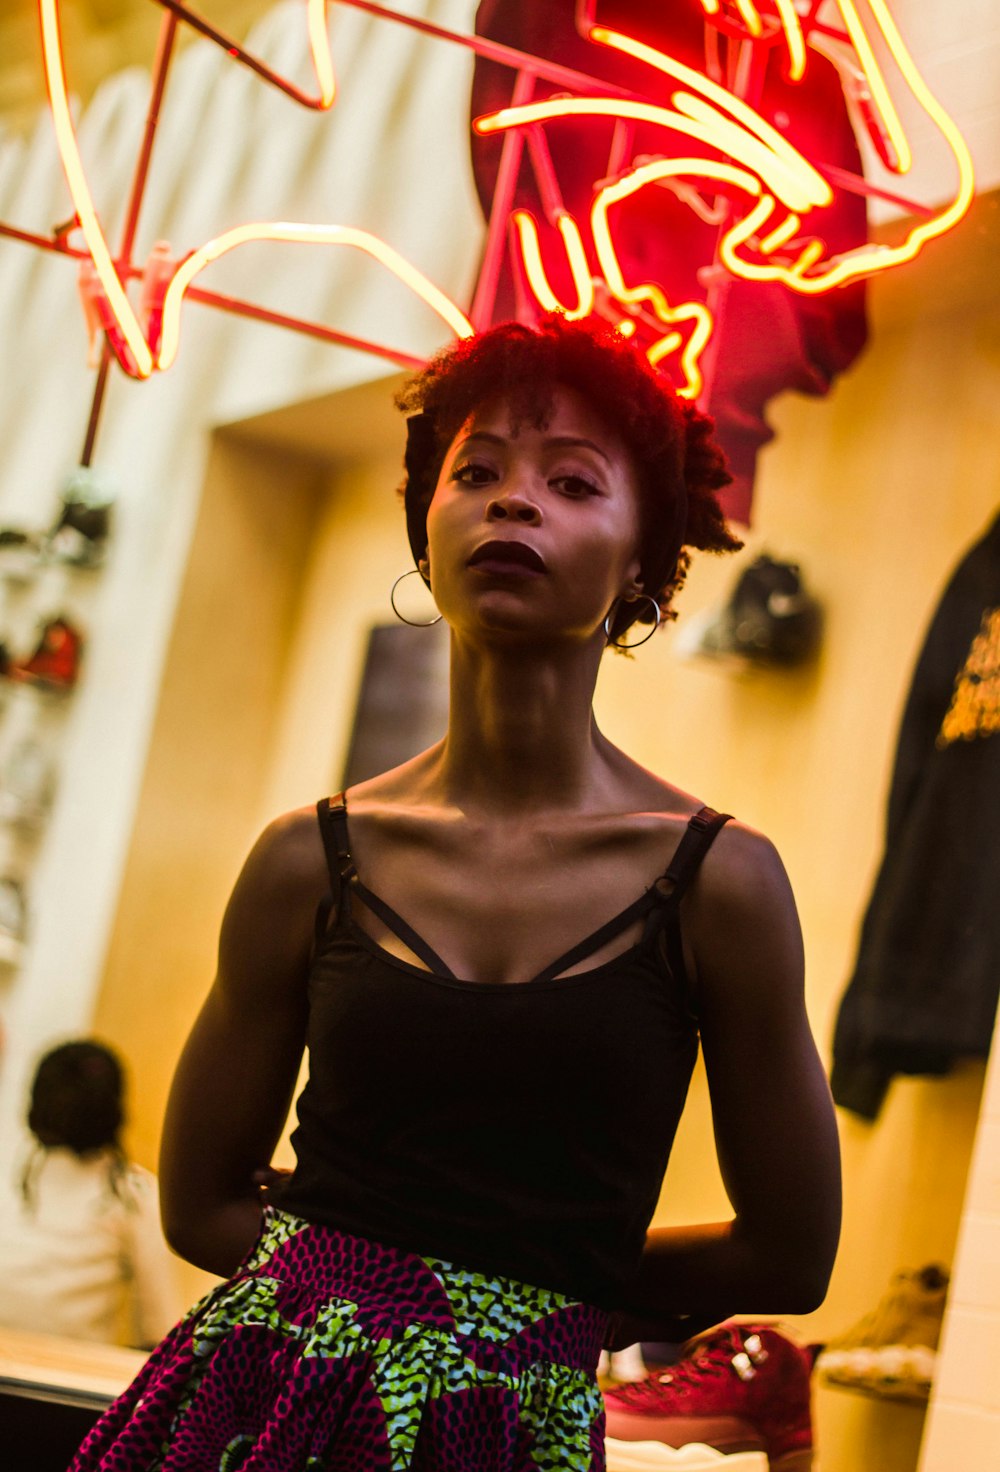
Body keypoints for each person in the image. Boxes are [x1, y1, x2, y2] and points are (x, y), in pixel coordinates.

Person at [69, 315, 841, 1471]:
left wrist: (528, 1296)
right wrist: (369, 1276)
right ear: (427, 532)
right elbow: (196, 1202)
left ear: (643, 558)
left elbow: (788, 1255)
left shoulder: (719, 883)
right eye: (474, 472)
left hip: (508, 1425)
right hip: (262, 1405)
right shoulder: (307, 856)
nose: (511, 501)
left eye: (571, 479)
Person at [0, 1038, 182, 1349]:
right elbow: (159, 1329)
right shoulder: (133, 1193)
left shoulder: (7, 1168)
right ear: (116, 1110)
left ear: (34, 1106)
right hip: (69, 1382)